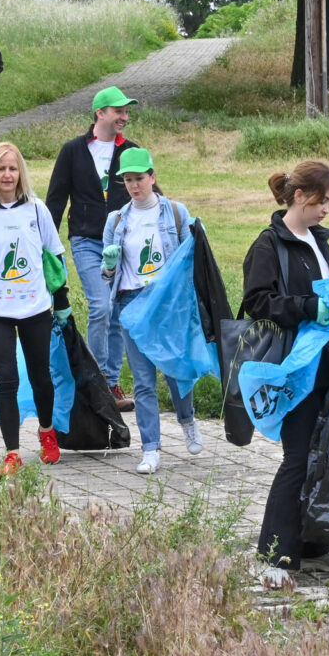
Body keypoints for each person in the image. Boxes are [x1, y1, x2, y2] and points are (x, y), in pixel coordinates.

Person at [243, 160, 329, 590]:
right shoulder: (270, 244)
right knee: (297, 459)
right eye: (323, 201)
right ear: (299, 196)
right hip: (293, 368)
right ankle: (274, 554)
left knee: (321, 456)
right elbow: (258, 301)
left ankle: (312, 546)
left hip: (326, 365)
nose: (327, 210)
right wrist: (309, 308)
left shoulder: (319, 242)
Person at [0, 142, 72, 475]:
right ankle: (12, 452)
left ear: (21, 173)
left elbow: (54, 258)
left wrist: (60, 300)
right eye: (1, 169)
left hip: (35, 307)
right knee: (7, 380)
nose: (7, 175)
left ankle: (47, 432)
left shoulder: (37, 210)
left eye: (13, 168)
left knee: (41, 377)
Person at [100, 148, 202, 473]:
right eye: (128, 180)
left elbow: (191, 261)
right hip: (131, 305)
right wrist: (109, 264)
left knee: (175, 372)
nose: (134, 185)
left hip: (166, 305)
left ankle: (187, 421)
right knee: (143, 380)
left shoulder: (175, 212)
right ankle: (150, 448)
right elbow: (107, 276)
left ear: (152, 177)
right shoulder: (116, 221)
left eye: (139, 178)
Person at [45, 86, 140, 412]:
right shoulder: (72, 151)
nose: (125, 118)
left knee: (118, 313)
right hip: (85, 240)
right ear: (100, 112)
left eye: (127, 112)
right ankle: (96, 381)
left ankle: (111, 385)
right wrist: (47, 245)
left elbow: (147, 192)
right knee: (101, 305)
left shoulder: (130, 150)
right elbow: (55, 199)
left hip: (121, 244)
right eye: (119, 112)